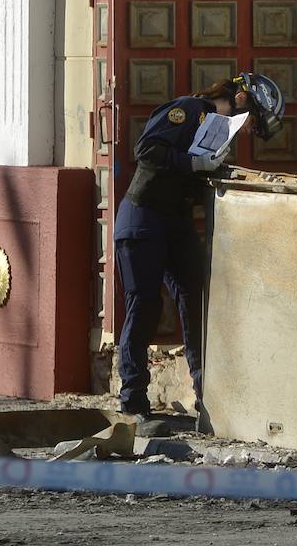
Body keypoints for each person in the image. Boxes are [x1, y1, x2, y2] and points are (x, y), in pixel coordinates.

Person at [113, 71, 285, 428]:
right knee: (145, 304)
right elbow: (145, 150)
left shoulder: (220, 133)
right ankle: (132, 402)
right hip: (143, 218)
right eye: (252, 120)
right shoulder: (189, 110)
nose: (249, 130)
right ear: (240, 99)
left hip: (176, 223)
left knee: (196, 301)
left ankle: (207, 395)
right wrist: (191, 163)